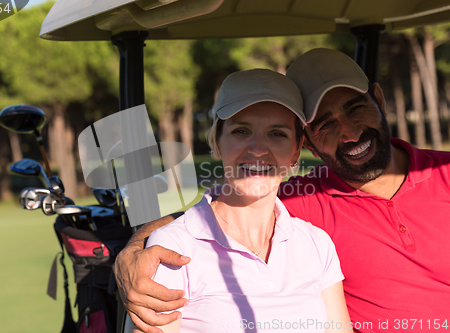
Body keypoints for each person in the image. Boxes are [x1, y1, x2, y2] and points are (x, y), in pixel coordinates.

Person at [116, 49, 450, 333]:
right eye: (325, 125)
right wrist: (134, 250)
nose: (348, 134)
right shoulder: (301, 198)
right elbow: (215, 214)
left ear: (378, 100)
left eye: (355, 108)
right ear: (309, 145)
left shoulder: (313, 239)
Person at [132, 68, 351, 333]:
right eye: (241, 131)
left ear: (296, 150)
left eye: (277, 134)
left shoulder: (316, 244)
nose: (258, 148)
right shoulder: (174, 247)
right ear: (217, 141)